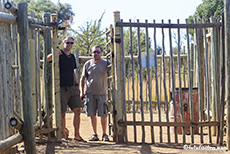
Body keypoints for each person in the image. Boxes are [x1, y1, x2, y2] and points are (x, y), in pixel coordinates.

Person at [47, 36, 86, 142]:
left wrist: (76, 85)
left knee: (77, 110)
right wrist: (55, 52)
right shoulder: (59, 54)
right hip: (61, 87)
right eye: (67, 42)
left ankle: (77, 135)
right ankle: (63, 135)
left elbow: (73, 71)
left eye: (71, 43)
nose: (69, 45)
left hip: (72, 87)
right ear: (63, 43)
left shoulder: (72, 57)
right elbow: (47, 59)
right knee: (62, 112)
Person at [80, 45, 110, 141]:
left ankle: (105, 134)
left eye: (98, 52)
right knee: (92, 114)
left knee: (103, 115)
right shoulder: (88, 64)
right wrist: (82, 91)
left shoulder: (106, 63)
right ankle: (95, 134)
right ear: (91, 53)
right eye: (94, 52)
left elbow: (115, 68)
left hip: (102, 93)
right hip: (90, 93)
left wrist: (110, 54)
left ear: (101, 53)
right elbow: (83, 78)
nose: (96, 54)